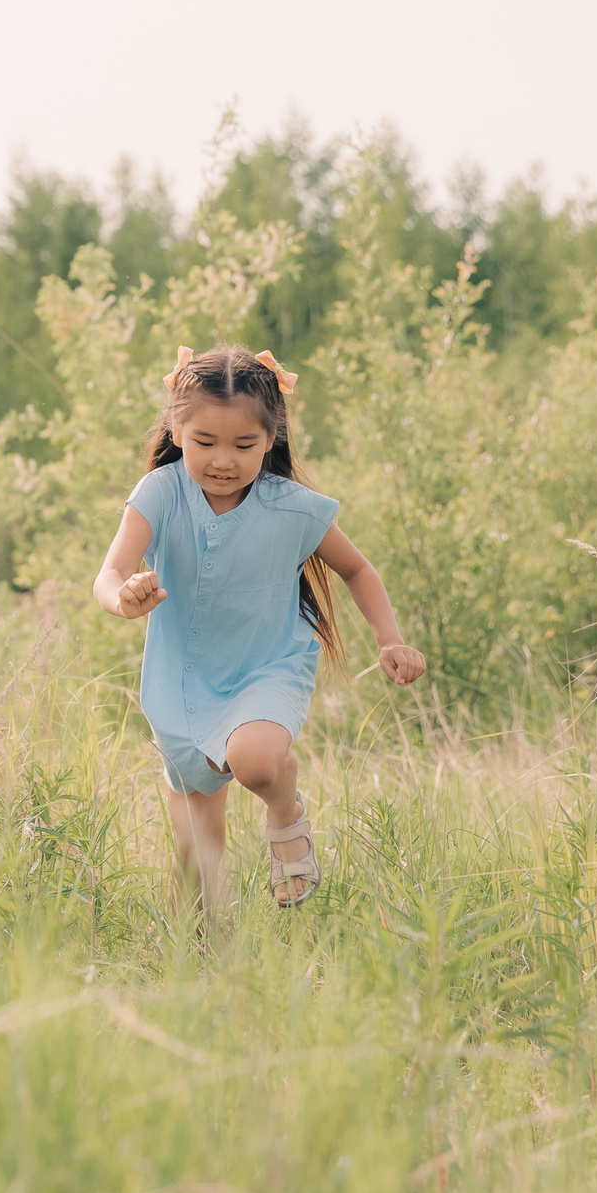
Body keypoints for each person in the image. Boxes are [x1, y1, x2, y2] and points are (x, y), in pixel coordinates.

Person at [91, 344, 426, 911]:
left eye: (244, 445)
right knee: (199, 847)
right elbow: (110, 573)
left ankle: (286, 815)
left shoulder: (292, 508)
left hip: (267, 664)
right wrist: (123, 598)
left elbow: (356, 568)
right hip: (183, 679)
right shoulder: (161, 493)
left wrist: (389, 638)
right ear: (176, 429)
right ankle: (205, 949)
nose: (223, 460)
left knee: (257, 761)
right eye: (205, 443)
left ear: (272, 438)